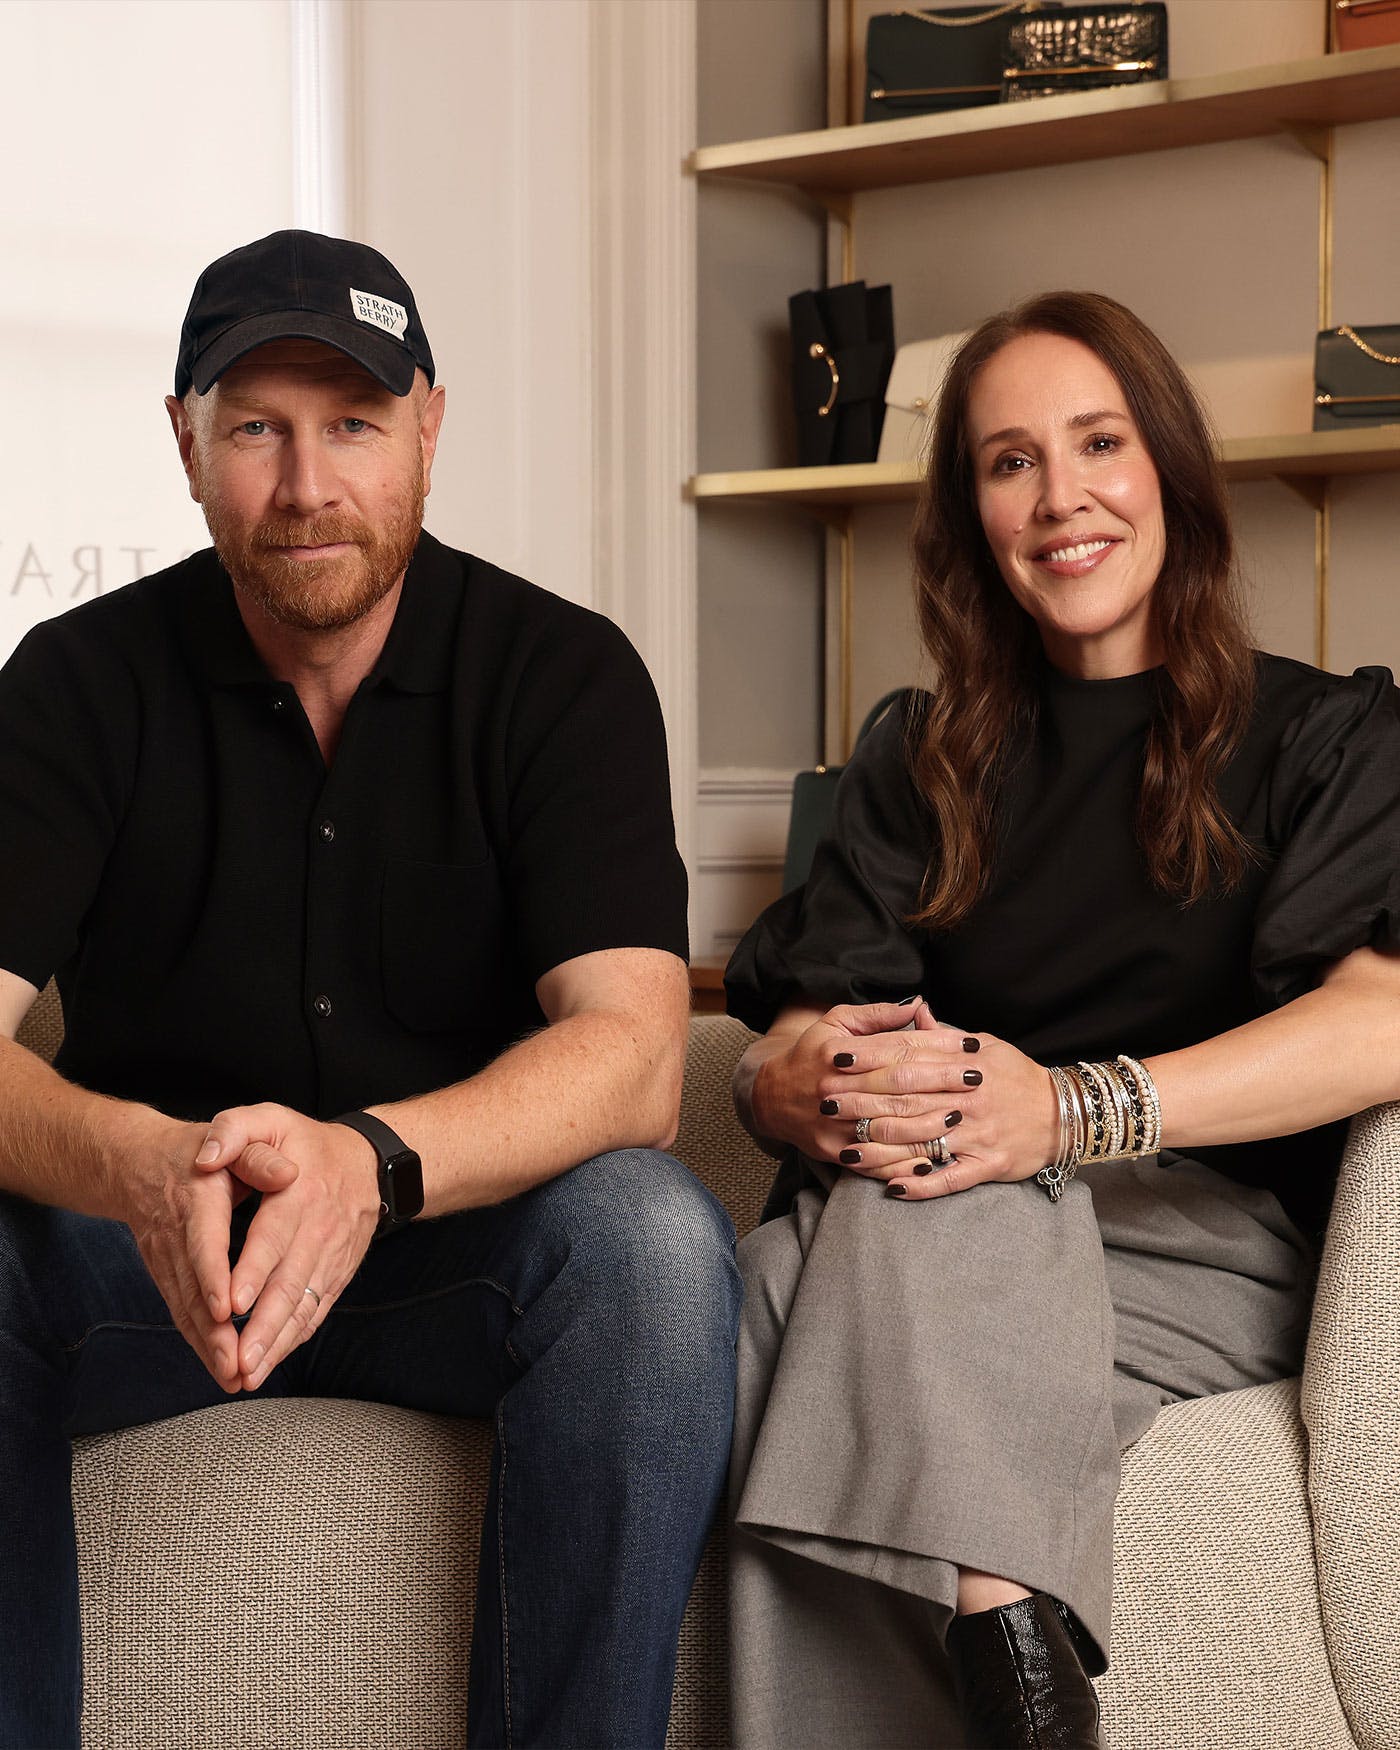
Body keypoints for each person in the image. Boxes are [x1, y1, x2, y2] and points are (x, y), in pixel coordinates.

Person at [0, 228, 740, 1750]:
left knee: (653, 1244)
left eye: (353, 423)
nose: (307, 482)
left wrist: (374, 1163)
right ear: (186, 444)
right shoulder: (71, 683)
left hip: (449, 1257)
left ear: (429, 428)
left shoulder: (563, 674)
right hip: (159, 1252)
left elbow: (637, 1058)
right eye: (258, 426)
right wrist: (139, 1163)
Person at [722, 290, 1400, 1749]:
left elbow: (1385, 1021)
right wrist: (805, 1080)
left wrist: (1068, 1108)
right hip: (959, 1208)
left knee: (843, 1251)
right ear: (972, 512)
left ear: (1169, 471)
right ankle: (1020, 1677)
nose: (1061, 495)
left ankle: (997, 1617)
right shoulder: (921, 760)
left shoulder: (1326, 738)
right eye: (1008, 460)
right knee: (792, 1272)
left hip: (1211, 1238)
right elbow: (817, 1012)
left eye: (1099, 441)